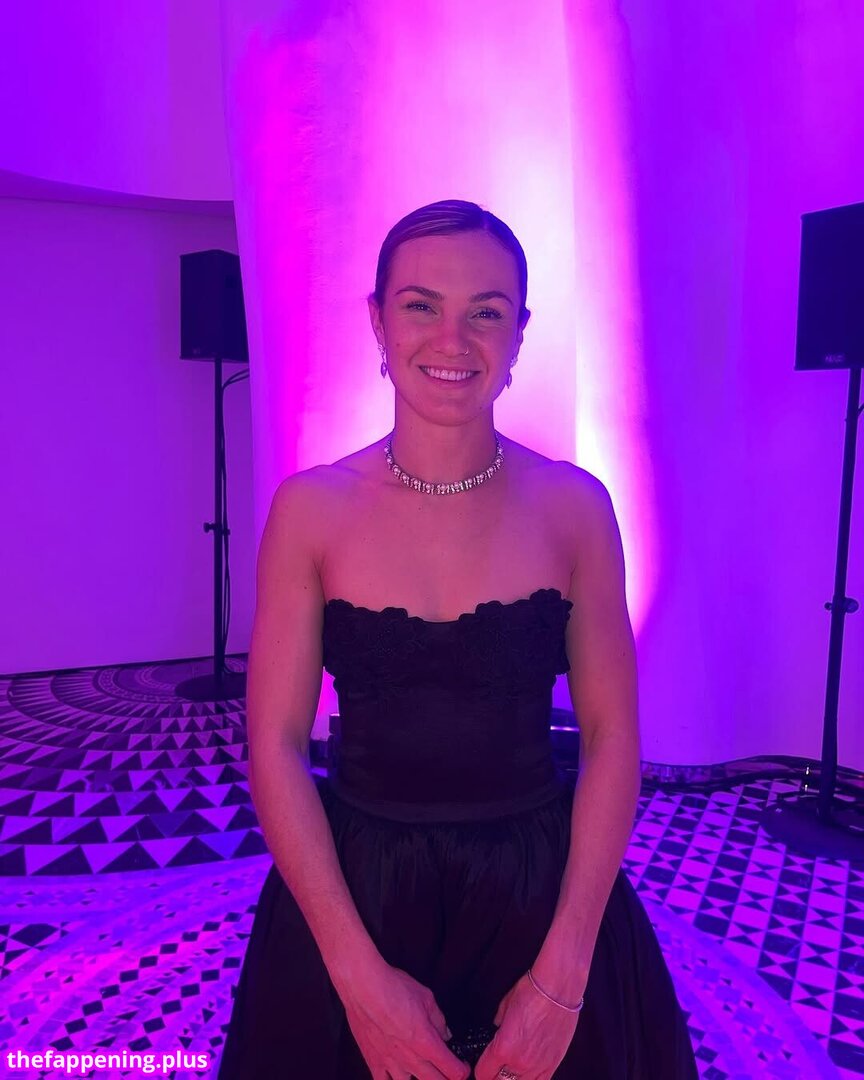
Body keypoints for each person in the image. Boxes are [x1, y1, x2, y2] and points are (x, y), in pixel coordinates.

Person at [218, 199, 698, 1079]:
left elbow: (612, 737)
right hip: (357, 888)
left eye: (486, 311)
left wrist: (565, 974)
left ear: (519, 333)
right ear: (378, 320)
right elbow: (276, 746)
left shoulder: (576, 508)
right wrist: (356, 978)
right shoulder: (311, 509)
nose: (453, 339)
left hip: (543, 888)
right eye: (420, 305)